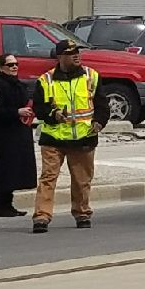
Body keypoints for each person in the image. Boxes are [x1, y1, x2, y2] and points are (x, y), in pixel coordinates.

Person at [30, 38, 108, 234]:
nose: (76, 56)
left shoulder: (91, 76)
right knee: (48, 178)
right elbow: (39, 108)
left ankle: (82, 214)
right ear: (60, 57)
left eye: (77, 52)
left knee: (82, 181)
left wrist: (99, 122)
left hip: (83, 138)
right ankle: (41, 217)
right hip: (53, 139)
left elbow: (101, 104)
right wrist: (53, 115)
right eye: (70, 53)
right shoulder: (45, 80)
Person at [0, 54, 37, 218]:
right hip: (6, 132)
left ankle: (8, 204)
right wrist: (16, 112)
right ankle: (1, 205)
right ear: (1, 67)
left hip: (20, 130)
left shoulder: (18, 84)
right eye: (10, 65)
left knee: (16, 169)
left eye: (16, 64)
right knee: (5, 169)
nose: (14, 67)